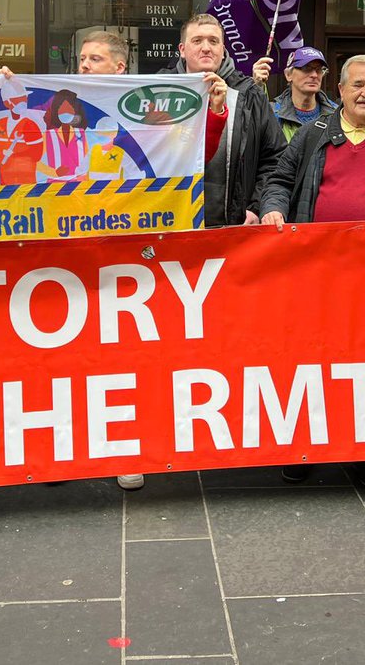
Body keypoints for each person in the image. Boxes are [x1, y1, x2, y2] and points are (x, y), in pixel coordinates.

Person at [261, 54, 365, 491]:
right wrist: (273, 211)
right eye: (358, 85)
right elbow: (279, 179)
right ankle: (304, 446)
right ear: (342, 91)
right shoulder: (315, 134)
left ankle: (362, 453)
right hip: (315, 271)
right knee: (310, 360)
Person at [76, 30, 228, 490]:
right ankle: (70, 445)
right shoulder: (58, 108)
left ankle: (130, 447)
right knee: (80, 352)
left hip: (134, 249)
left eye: (94, 59)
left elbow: (188, 153)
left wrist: (215, 113)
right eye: (81, 58)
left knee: (132, 352)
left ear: (119, 68)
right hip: (77, 249)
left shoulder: (146, 107)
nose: (84, 65)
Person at [162, 15, 285, 226]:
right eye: (197, 40)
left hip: (233, 226)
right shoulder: (160, 91)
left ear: (223, 48)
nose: (206, 48)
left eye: (213, 41)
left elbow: (275, 157)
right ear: (182, 49)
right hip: (171, 222)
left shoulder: (249, 94)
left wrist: (255, 206)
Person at [269, 46, 337, 143]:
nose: (314, 75)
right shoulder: (273, 114)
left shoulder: (337, 114)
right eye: (306, 68)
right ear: (288, 75)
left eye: (319, 70)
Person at [40, 90, 90, 182]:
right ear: (56, 111)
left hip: (79, 185)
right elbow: (37, 162)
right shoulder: (48, 135)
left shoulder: (82, 133)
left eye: (69, 109)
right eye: (62, 109)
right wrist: (54, 172)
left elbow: (89, 159)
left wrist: (84, 174)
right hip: (54, 185)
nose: (66, 112)